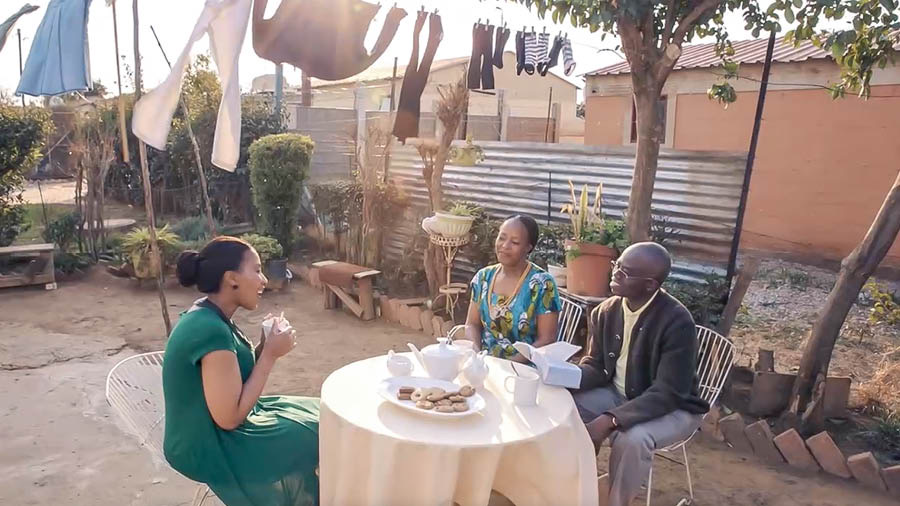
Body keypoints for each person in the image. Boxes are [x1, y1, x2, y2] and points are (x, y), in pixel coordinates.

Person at [163, 236, 319, 506]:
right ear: (232, 278)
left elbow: (228, 381)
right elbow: (229, 417)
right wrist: (269, 356)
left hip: (216, 428)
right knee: (318, 432)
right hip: (206, 444)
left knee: (324, 412)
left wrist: (262, 347)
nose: (264, 281)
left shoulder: (211, 315)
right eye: (257, 270)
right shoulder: (209, 329)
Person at [572, 242, 709, 506]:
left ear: (650, 285)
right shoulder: (605, 311)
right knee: (566, 407)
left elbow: (668, 392)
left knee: (632, 440)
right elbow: (596, 366)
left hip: (674, 408)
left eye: (625, 272)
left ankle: (616, 502)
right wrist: (562, 378)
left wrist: (610, 420)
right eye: (617, 266)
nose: (615, 274)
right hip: (618, 393)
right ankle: (577, 488)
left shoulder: (677, 321)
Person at [464, 215, 561, 361]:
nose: (505, 245)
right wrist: (475, 352)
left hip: (524, 371)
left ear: (528, 247)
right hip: (484, 364)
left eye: (514, 242)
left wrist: (507, 366)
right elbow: (472, 324)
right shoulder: (483, 277)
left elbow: (546, 340)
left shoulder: (542, 284)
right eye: (502, 238)